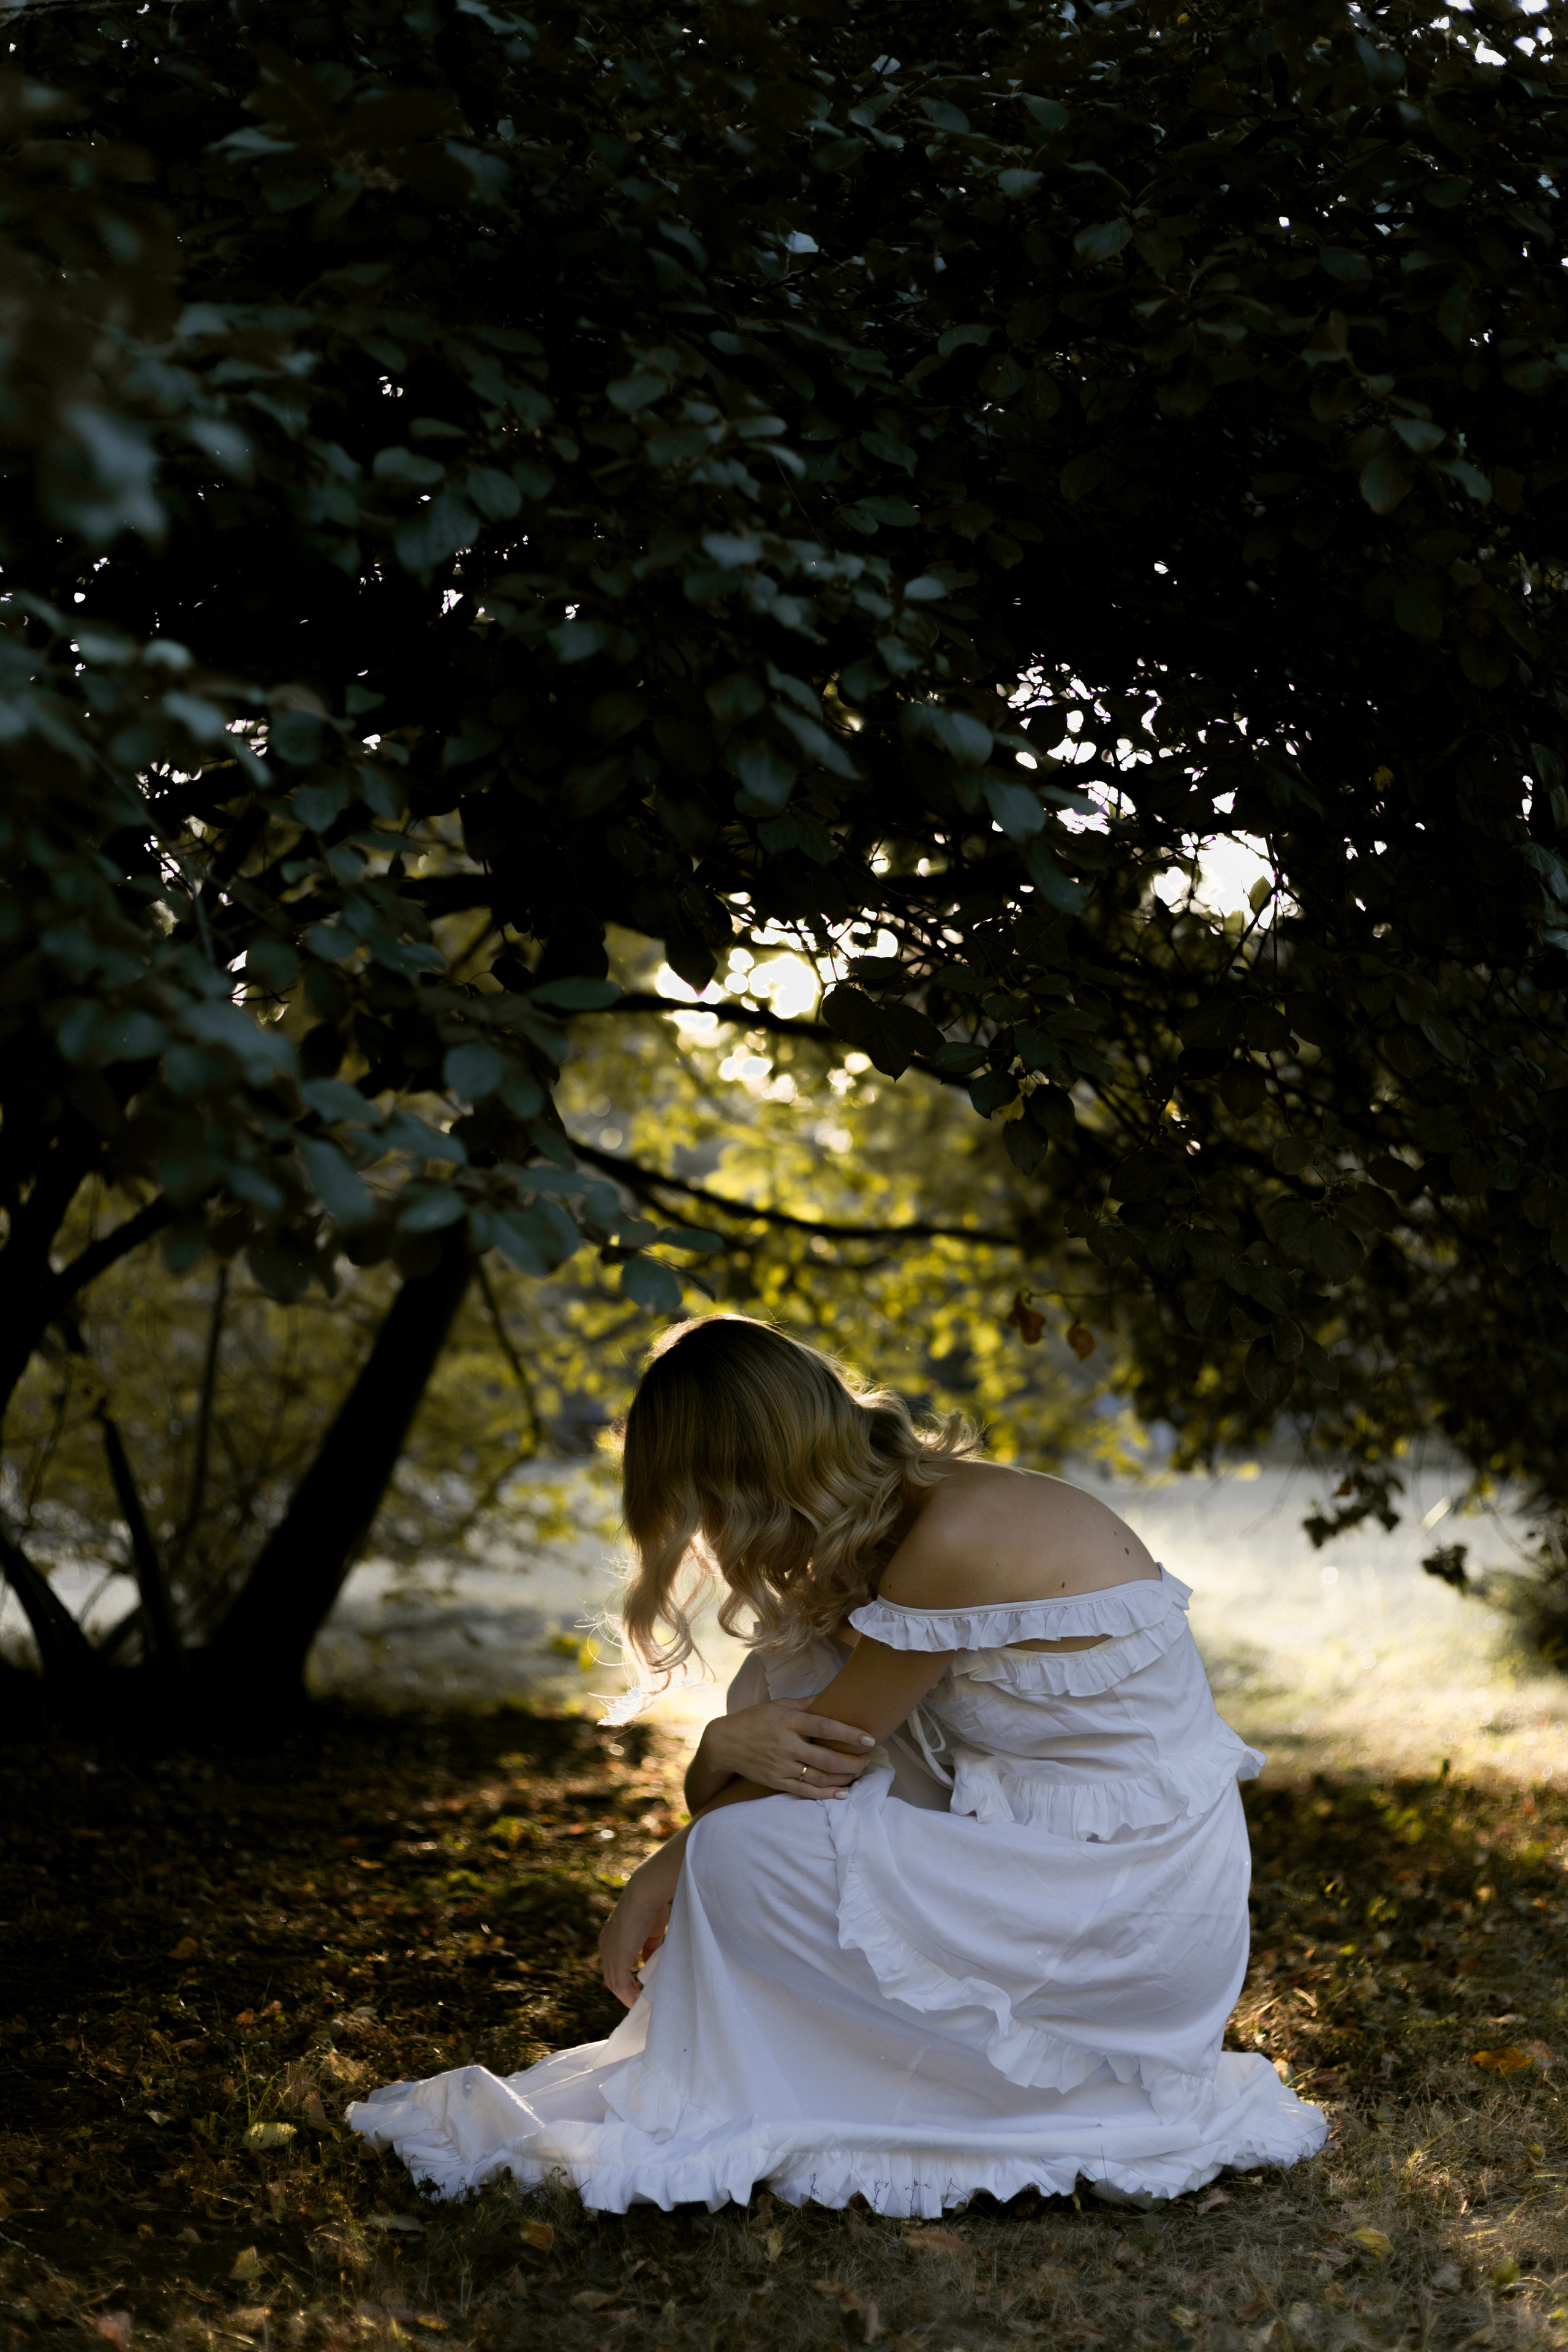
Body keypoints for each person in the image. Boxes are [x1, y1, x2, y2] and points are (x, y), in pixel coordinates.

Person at [347, 1316, 1325, 2214]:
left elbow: (813, 1767)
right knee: (767, 1749)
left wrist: (663, 1860)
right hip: (1061, 1865)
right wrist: (716, 1760)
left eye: (701, 1505)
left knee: (739, 1855)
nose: (707, 1538)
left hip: (1131, 1902)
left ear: (743, 1480)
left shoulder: (956, 1536)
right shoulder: (899, 1531)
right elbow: (771, 1765)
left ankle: (932, 2092)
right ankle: (856, 2076)